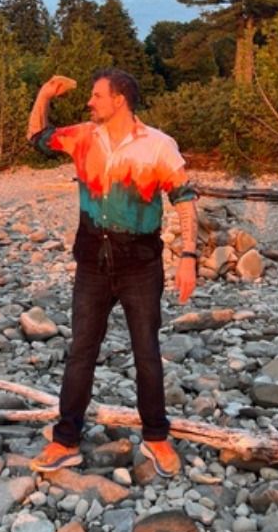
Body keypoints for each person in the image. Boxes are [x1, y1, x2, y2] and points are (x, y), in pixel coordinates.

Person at [24, 68, 197, 479]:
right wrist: (44, 94)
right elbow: (37, 138)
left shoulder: (158, 146)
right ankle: (65, 440)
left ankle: (156, 436)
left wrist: (188, 256)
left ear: (119, 100)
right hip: (92, 262)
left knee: (147, 353)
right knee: (81, 350)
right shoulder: (84, 136)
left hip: (140, 263)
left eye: (96, 95)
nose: (89, 102)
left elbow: (184, 197)